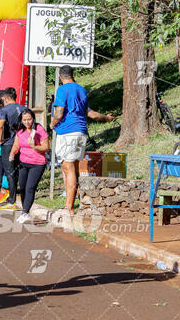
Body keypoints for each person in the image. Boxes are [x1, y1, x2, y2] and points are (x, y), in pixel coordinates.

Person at [50, 65, 114, 214]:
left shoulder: (62, 90)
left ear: (61, 77)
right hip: (81, 132)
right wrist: (106, 118)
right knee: (75, 168)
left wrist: (52, 124)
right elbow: (90, 113)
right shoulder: (81, 90)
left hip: (68, 132)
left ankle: (69, 207)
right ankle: (76, 203)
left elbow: (59, 112)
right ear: (73, 74)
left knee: (68, 168)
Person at [9, 109, 49, 223]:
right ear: (21, 120)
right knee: (22, 188)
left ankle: (25, 213)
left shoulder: (39, 129)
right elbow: (16, 145)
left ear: (33, 119)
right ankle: (25, 211)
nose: (27, 122)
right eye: (24, 120)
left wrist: (34, 146)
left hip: (37, 163)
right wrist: (12, 153)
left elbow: (46, 147)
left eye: (29, 119)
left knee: (30, 188)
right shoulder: (20, 130)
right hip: (23, 163)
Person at [0, 87, 25, 211]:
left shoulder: (4, 110)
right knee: (19, 170)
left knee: (9, 172)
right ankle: (18, 196)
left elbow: (0, 126)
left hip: (8, 143)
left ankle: (12, 200)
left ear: (5, 97)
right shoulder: (24, 108)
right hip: (22, 143)